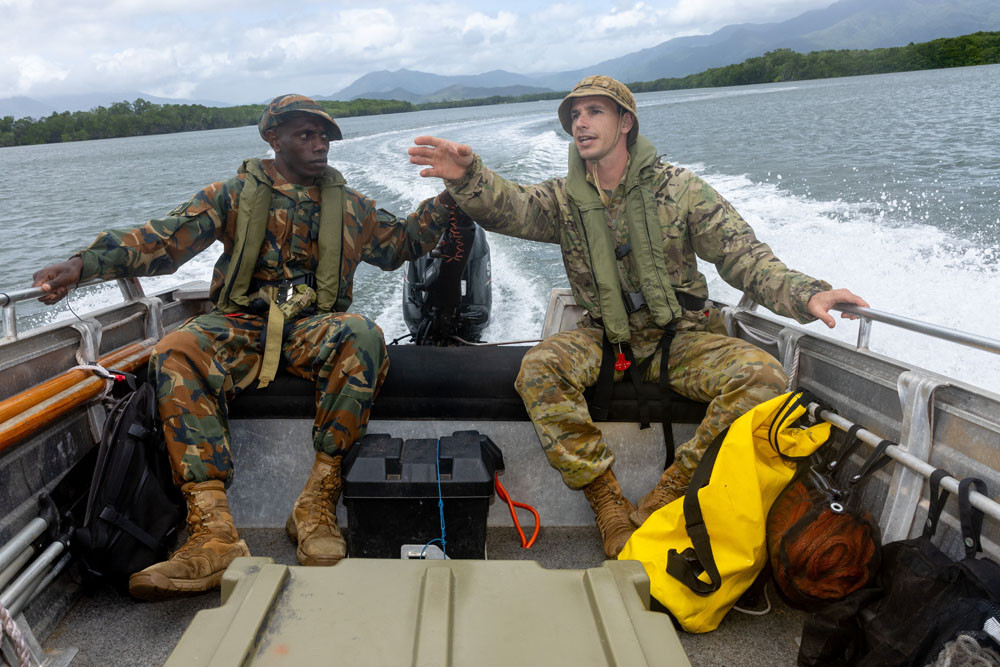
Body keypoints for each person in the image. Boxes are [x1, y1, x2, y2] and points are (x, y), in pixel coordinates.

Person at [409, 75, 869, 558]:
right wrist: (467, 176)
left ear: (625, 122)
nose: (580, 123)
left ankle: (669, 493)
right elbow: (509, 208)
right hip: (605, 337)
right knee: (539, 370)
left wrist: (808, 294)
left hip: (682, 338)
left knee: (764, 377)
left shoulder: (681, 190)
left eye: (595, 112)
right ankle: (606, 501)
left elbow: (743, 256)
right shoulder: (564, 201)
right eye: (575, 115)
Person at [34, 94, 457, 599]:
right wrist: (83, 265)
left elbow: (401, 244)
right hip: (239, 325)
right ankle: (213, 533)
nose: (321, 144)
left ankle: (316, 505)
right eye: (306, 134)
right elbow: (164, 240)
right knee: (176, 349)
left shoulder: (351, 207)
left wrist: (456, 193)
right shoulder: (232, 195)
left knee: (363, 333)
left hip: (311, 327)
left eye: (325, 137)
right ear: (272, 138)